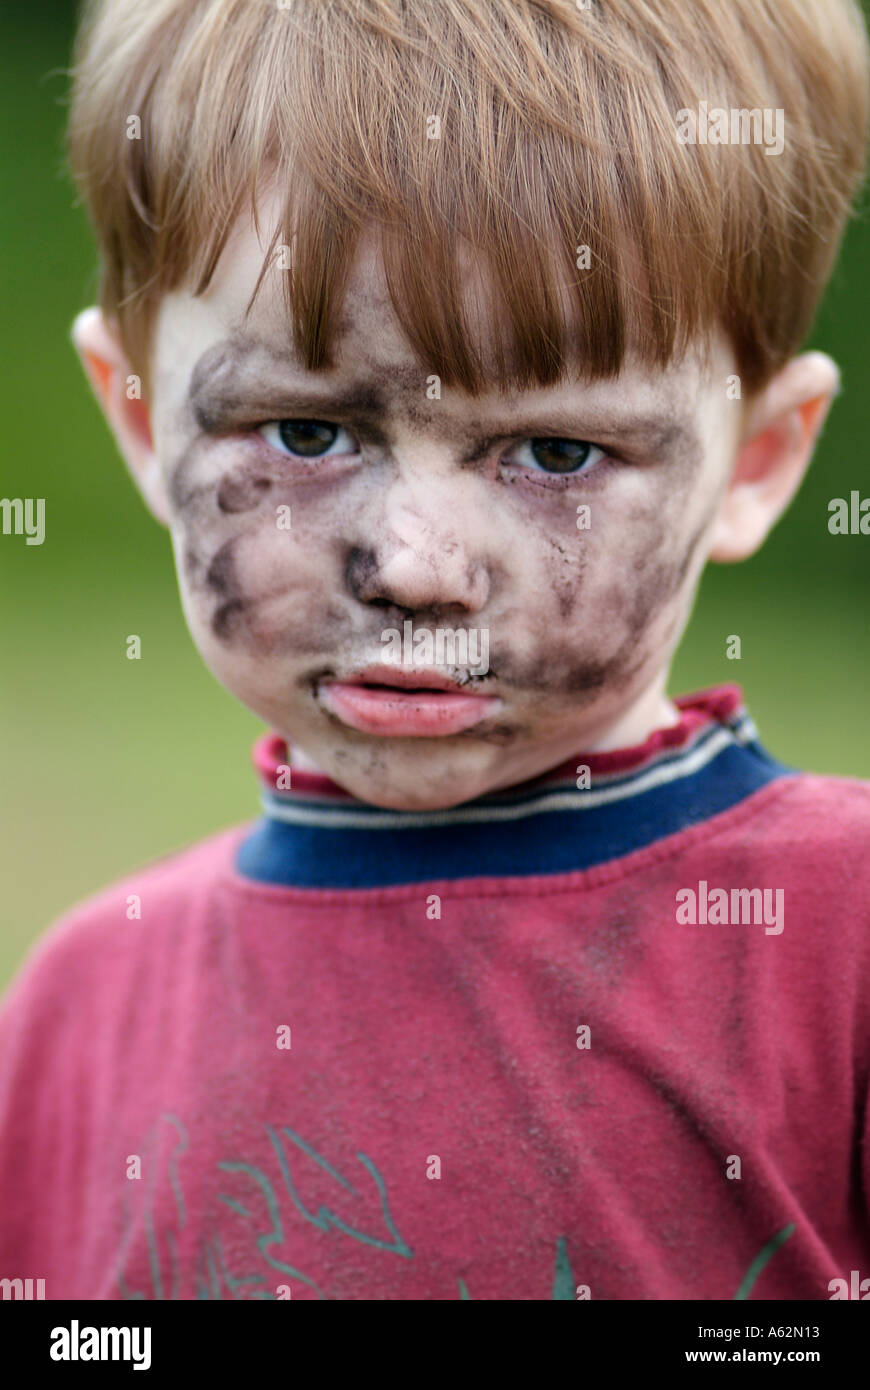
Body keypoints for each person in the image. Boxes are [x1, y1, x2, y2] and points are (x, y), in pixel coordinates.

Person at [1, 0, 869, 1300]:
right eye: (303, 432)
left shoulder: (838, 940)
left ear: (755, 461)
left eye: (557, 452)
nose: (411, 563)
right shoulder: (81, 1004)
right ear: (141, 420)